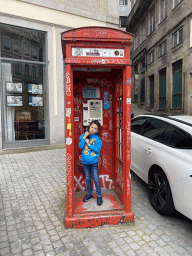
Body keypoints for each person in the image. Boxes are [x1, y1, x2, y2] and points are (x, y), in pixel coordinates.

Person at [79, 120, 103, 205]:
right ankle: (89, 194)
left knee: (96, 178)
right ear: (89, 127)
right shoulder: (83, 135)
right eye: (92, 127)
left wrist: (89, 145)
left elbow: (97, 150)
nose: (92, 129)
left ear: (97, 131)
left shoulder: (97, 139)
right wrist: (84, 137)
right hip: (85, 162)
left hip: (93, 162)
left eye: (95, 128)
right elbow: (81, 146)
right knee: (88, 178)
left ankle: (99, 196)